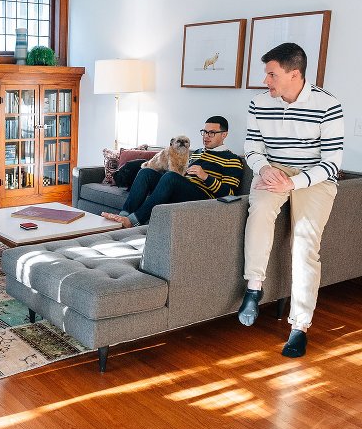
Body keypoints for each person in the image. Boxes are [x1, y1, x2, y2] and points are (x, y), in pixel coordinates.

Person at [237, 43, 343, 358]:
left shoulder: (328, 105)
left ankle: (299, 326)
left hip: (315, 177)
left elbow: (332, 163)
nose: (266, 80)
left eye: (272, 74)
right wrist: (265, 168)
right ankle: (254, 289)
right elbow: (252, 148)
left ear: (294, 74)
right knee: (259, 212)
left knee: (305, 244)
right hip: (275, 170)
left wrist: (294, 182)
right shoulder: (259, 103)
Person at [102, 116, 243, 228]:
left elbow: (230, 194)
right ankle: (123, 215)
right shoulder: (198, 152)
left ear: (224, 134)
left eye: (212, 133)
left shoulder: (232, 159)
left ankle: (133, 220)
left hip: (203, 198)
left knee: (171, 177)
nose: (206, 136)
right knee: (146, 172)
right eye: (204, 132)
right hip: (181, 189)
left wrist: (205, 177)